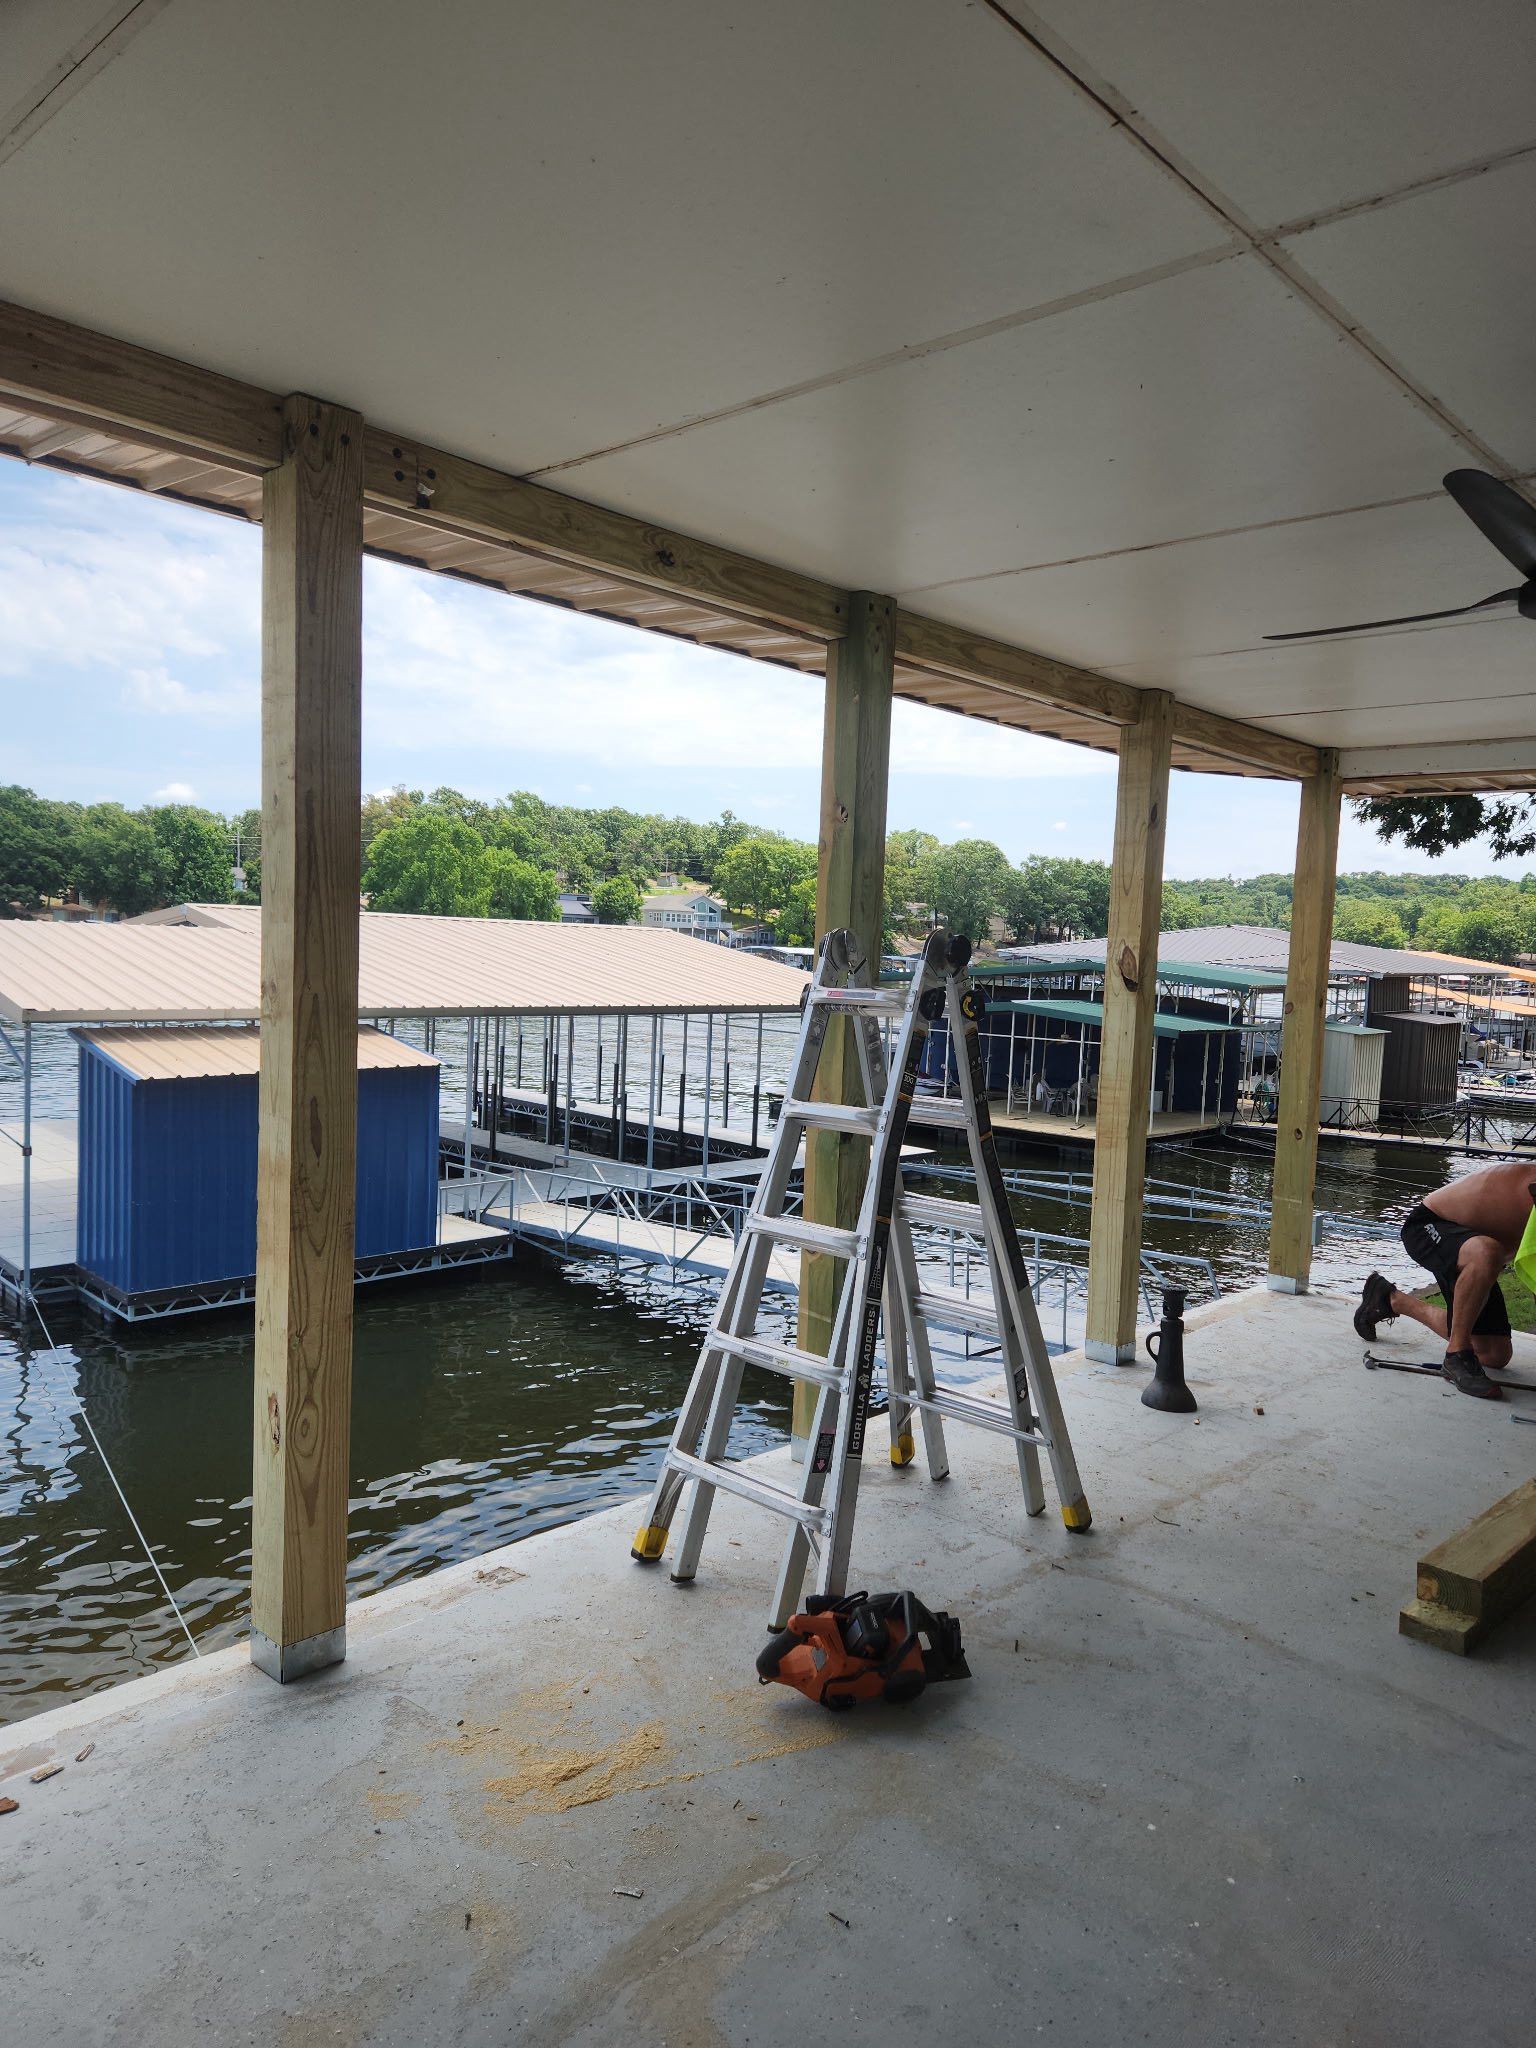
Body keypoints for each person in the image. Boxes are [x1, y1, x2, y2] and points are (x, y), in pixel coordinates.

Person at [1354, 1161, 1533, 1401]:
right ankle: (1456, 1355)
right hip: (1430, 1225)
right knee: (1486, 1252)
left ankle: (1390, 1299)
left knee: (1494, 1354)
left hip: (1476, 1251)